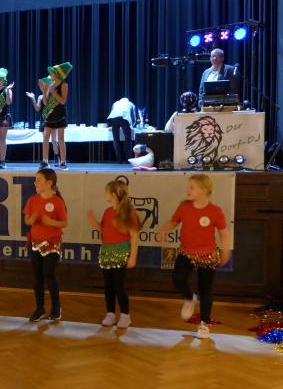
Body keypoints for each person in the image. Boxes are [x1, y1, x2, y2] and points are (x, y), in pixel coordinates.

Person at [156, 174, 231, 339]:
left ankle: (204, 324)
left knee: (206, 289)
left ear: (203, 190)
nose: (188, 190)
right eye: (188, 187)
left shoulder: (215, 211)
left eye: (192, 187)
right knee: (178, 279)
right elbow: (173, 222)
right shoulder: (184, 207)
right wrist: (163, 230)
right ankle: (189, 298)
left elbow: (224, 233)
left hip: (207, 255)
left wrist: (226, 251)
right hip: (187, 252)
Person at [88, 179, 140, 328]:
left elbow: (134, 236)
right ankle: (110, 313)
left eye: (107, 192)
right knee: (108, 285)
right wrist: (93, 221)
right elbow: (104, 230)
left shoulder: (128, 213)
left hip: (121, 252)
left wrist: (132, 257)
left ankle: (125, 315)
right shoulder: (107, 212)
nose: (105, 195)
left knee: (118, 285)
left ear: (113, 194)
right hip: (107, 252)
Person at [24, 168, 68, 322]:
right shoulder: (32, 200)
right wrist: (31, 219)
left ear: (49, 183)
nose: (35, 182)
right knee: (37, 277)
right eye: (35, 179)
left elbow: (64, 223)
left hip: (52, 243)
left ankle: (56, 308)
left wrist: (51, 222)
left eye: (38, 180)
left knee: (49, 275)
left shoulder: (57, 202)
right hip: (35, 243)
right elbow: (27, 220)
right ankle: (40, 309)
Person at [39, 62, 72, 169]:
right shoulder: (50, 86)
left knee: (60, 139)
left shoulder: (64, 85)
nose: (50, 74)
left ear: (57, 74)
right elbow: (45, 103)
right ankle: (45, 161)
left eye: (52, 72)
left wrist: (53, 92)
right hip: (50, 115)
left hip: (60, 114)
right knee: (45, 137)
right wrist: (44, 90)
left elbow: (63, 101)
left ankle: (63, 162)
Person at [25, 76, 60, 166]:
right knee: (45, 140)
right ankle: (45, 160)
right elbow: (37, 108)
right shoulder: (40, 97)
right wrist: (33, 98)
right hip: (44, 121)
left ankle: (56, 157)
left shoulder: (54, 96)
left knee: (54, 140)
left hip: (53, 120)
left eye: (49, 83)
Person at [107, 97, 138, 164]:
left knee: (116, 139)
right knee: (128, 139)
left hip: (113, 118)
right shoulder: (130, 104)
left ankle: (119, 160)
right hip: (124, 118)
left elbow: (112, 112)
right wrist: (132, 125)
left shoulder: (115, 103)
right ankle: (127, 159)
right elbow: (133, 117)